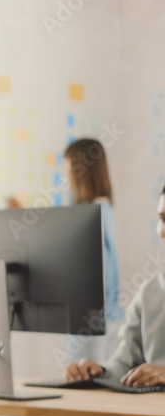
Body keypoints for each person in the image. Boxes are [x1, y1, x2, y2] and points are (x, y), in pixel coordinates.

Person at [25, 184, 165, 416]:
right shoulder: (151, 292)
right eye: (161, 219)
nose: (164, 229)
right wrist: (98, 370)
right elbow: (125, 364)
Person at [61, 138, 123, 364]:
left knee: (84, 381)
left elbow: (98, 269)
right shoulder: (103, 208)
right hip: (105, 315)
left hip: (91, 316)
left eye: (67, 166)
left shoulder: (91, 214)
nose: (65, 174)